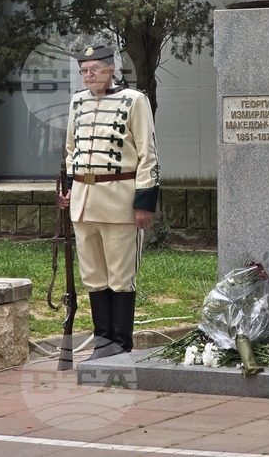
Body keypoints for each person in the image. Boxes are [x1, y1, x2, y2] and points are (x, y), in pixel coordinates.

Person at [56, 45, 161, 359]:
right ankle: (102, 340)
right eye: (84, 70)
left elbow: (148, 155)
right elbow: (71, 151)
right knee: (93, 275)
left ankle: (120, 342)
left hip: (119, 201)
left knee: (120, 275)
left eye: (95, 69)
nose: (89, 75)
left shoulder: (134, 100)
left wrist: (144, 202)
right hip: (84, 204)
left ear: (110, 70)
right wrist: (70, 189)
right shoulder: (77, 102)